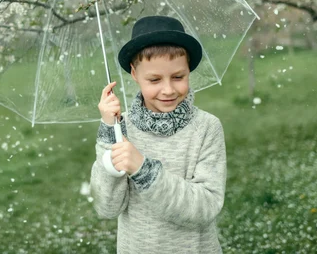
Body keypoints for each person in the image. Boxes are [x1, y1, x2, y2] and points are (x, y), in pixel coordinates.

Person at [90, 15, 227, 253]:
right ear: (134, 74)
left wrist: (144, 171)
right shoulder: (121, 130)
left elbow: (206, 207)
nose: (168, 89)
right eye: (154, 79)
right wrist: (109, 133)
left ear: (189, 70)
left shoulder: (206, 128)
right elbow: (107, 208)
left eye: (178, 77)